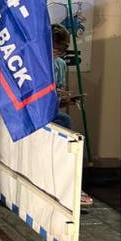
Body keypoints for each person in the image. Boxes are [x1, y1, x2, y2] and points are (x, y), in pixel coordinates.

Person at [52, 24, 94, 206]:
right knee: (64, 121)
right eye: (54, 50)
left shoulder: (60, 65)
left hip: (51, 112)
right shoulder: (33, 61)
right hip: (33, 113)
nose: (57, 55)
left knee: (68, 126)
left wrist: (66, 100)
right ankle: (68, 185)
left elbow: (57, 97)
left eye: (61, 52)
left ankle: (72, 184)